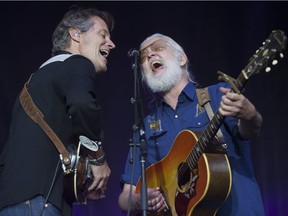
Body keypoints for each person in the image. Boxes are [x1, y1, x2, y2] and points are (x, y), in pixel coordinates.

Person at [118, 33, 265, 216]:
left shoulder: (218, 95)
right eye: (143, 56)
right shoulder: (145, 126)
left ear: (182, 58)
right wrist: (140, 200)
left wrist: (250, 115)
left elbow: (251, 131)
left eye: (158, 48)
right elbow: (126, 196)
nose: (149, 55)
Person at [0, 7, 116, 216]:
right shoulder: (77, 63)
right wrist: (98, 158)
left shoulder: (36, 81)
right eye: (103, 34)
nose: (111, 43)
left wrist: (77, 183)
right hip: (39, 205)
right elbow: (83, 105)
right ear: (76, 34)